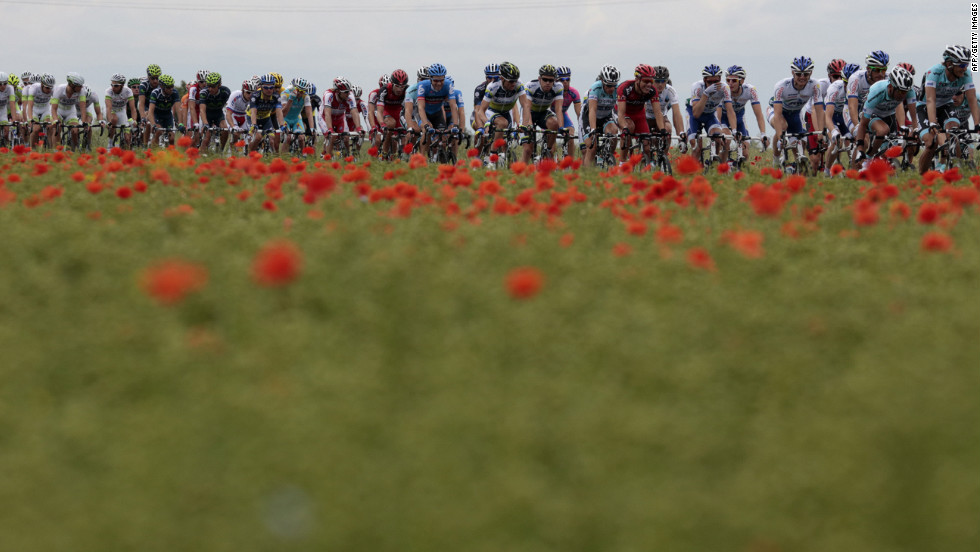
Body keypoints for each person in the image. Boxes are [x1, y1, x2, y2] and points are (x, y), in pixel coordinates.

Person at [917, 45, 979, 173]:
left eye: (966, 65)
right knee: (930, 144)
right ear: (949, 64)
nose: (965, 69)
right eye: (961, 65)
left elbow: (972, 99)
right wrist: (933, 123)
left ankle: (953, 166)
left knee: (954, 130)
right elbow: (930, 100)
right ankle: (922, 175)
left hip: (946, 104)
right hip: (925, 106)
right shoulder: (934, 72)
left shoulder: (966, 74)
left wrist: (978, 124)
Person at [768, 56, 826, 169]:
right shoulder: (781, 86)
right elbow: (778, 114)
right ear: (793, 72)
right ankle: (775, 158)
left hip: (795, 114)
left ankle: (797, 170)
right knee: (783, 126)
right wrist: (781, 138)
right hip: (777, 112)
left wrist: (820, 133)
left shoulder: (815, 85)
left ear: (811, 73)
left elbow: (819, 110)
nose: (802, 77)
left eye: (806, 74)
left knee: (800, 146)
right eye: (799, 74)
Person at [854, 66, 917, 163]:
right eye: (900, 91)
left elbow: (913, 116)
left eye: (905, 92)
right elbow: (863, 124)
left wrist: (913, 130)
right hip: (872, 113)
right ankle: (869, 157)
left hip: (888, 114)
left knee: (892, 148)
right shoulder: (877, 91)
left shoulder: (908, 90)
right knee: (883, 130)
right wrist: (860, 148)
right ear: (891, 87)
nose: (903, 95)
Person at [475, 61, 528, 166]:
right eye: (511, 81)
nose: (514, 83)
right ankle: (492, 155)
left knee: (507, 137)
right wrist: (486, 122)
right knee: (502, 123)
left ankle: (503, 158)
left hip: (505, 112)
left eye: (515, 80)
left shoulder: (518, 85)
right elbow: (481, 110)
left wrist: (522, 124)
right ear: (502, 79)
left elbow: (525, 106)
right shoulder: (492, 86)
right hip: (492, 111)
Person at [685, 64, 735, 162]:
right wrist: (705, 94)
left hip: (710, 115)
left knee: (718, 138)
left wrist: (734, 130)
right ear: (704, 80)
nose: (713, 85)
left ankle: (714, 164)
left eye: (716, 81)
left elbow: (730, 111)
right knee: (696, 148)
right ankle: (692, 174)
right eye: (710, 82)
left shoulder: (725, 88)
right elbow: (696, 114)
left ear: (720, 79)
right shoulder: (697, 87)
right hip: (694, 115)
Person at [717, 65, 767, 158]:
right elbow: (718, 114)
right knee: (726, 141)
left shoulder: (750, 90)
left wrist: (763, 134)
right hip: (724, 117)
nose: (730, 83)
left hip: (739, 117)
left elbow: (759, 115)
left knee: (745, 153)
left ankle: (739, 168)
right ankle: (722, 168)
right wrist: (719, 129)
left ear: (742, 81)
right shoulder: (722, 90)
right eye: (728, 80)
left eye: (734, 80)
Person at [521, 64, 565, 162]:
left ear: (555, 80)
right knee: (528, 149)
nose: (548, 83)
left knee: (554, 124)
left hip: (543, 112)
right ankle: (521, 171)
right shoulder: (531, 86)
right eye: (545, 79)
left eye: (551, 80)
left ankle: (548, 150)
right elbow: (527, 107)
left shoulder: (558, 87)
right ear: (539, 78)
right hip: (529, 113)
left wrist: (561, 127)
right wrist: (529, 125)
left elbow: (558, 109)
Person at [823, 63, 860, 173]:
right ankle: (827, 171)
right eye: (846, 82)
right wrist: (833, 131)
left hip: (846, 115)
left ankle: (853, 168)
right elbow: (828, 115)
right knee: (837, 142)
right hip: (833, 116)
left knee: (856, 139)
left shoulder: (860, 88)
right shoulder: (834, 88)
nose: (849, 86)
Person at [416, 63, 460, 157]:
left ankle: (442, 164)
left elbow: (453, 106)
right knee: (427, 131)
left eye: (441, 80)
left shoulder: (448, 85)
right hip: (424, 113)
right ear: (430, 78)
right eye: (436, 80)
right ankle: (422, 159)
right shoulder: (422, 85)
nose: (439, 83)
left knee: (443, 139)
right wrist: (426, 125)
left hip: (437, 114)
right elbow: (421, 107)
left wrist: (456, 124)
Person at [581, 65, 621, 167]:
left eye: (613, 85)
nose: (612, 88)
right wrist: (593, 129)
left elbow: (620, 110)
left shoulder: (618, 89)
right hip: (589, 117)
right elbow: (592, 110)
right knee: (592, 147)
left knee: (614, 131)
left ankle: (608, 155)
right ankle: (587, 176)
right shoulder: (595, 88)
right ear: (602, 81)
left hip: (605, 117)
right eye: (608, 86)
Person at [847, 50, 889, 140]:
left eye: (884, 70)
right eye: (877, 70)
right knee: (863, 139)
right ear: (868, 69)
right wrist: (857, 125)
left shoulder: (888, 79)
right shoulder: (856, 78)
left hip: (871, 110)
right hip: (854, 110)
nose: (881, 74)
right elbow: (852, 106)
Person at [321, 77, 360, 158]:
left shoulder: (350, 96)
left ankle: (347, 158)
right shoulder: (329, 95)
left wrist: (358, 127)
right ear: (338, 91)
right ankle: (328, 157)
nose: (348, 94)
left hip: (339, 118)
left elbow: (354, 112)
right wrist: (330, 129)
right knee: (332, 136)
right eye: (346, 92)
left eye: (349, 91)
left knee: (346, 137)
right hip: (325, 117)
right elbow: (327, 113)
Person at [377, 69, 411, 158]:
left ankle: (403, 159)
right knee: (391, 125)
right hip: (387, 112)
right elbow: (379, 111)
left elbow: (409, 109)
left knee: (404, 140)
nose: (400, 89)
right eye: (397, 86)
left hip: (400, 113)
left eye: (402, 86)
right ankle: (384, 153)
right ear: (392, 83)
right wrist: (382, 124)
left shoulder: (407, 90)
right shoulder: (384, 90)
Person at [50, 72, 88, 149]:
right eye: (79, 86)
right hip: (59, 111)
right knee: (57, 129)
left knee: (75, 130)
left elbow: (83, 108)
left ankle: (75, 149)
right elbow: (53, 108)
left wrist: (84, 122)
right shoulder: (59, 89)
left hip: (71, 112)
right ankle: (56, 151)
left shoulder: (81, 91)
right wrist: (55, 120)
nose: (81, 87)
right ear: (72, 85)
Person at [196, 72, 233, 153]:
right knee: (207, 135)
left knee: (225, 130)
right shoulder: (203, 92)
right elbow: (202, 110)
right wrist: (205, 124)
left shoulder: (226, 92)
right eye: (208, 86)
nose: (210, 89)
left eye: (213, 86)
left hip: (218, 113)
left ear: (219, 85)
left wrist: (230, 123)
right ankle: (202, 154)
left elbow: (229, 108)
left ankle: (221, 151)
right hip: (207, 114)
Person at [279, 77, 316, 155]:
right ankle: (283, 158)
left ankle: (303, 156)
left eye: (302, 91)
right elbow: (284, 113)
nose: (300, 93)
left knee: (301, 138)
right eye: (298, 90)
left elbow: (309, 113)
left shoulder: (305, 96)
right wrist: (291, 99)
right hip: (285, 118)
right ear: (293, 88)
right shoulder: (285, 94)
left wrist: (312, 128)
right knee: (288, 138)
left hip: (296, 119)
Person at [249, 74, 284, 153]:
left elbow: (279, 112)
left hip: (266, 118)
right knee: (257, 137)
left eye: (271, 87)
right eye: (266, 87)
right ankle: (250, 155)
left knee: (272, 139)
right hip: (252, 117)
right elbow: (253, 112)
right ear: (261, 87)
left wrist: (282, 125)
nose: (269, 90)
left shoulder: (276, 96)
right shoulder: (255, 96)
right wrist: (254, 124)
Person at [148, 74, 183, 146]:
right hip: (156, 114)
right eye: (169, 87)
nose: (171, 89)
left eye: (172, 86)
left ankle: (172, 155)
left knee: (172, 138)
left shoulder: (175, 93)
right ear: (162, 87)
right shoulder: (155, 93)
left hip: (167, 115)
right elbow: (150, 111)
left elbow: (178, 110)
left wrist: (180, 123)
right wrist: (153, 124)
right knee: (158, 131)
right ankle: (154, 152)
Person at [105, 73, 136, 148]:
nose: (113, 87)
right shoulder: (108, 91)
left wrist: (134, 120)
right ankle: (110, 142)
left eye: (116, 85)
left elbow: (133, 108)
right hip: (112, 110)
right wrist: (109, 122)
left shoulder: (128, 91)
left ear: (122, 85)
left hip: (122, 111)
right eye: (112, 85)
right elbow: (108, 108)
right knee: (114, 119)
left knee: (127, 138)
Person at [26, 73, 57, 148]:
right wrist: (30, 119)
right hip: (34, 109)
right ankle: (33, 150)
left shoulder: (53, 90)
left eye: (50, 88)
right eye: (47, 88)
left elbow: (55, 106)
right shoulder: (34, 88)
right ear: (42, 84)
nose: (49, 90)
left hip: (45, 109)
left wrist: (54, 119)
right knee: (36, 129)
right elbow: (30, 105)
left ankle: (51, 149)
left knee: (50, 126)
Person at [557, 65, 581, 157]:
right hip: (550, 115)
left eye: (568, 79)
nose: (565, 82)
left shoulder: (573, 93)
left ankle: (569, 162)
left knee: (571, 135)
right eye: (562, 80)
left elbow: (579, 113)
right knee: (549, 135)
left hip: (563, 114)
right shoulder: (552, 91)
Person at [225, 80, 253, 146]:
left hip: (243, 116)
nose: (250, 95)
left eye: (252, 93)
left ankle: (247, 153)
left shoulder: (254, 98)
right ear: (243, 90)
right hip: (233, 116)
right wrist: (233, 127)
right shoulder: (235, 95)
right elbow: (228, 113)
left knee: (250, 136)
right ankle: (233, 153)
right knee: (236, 133)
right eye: (248, 92)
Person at [0, 72, 19, 144]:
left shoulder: (10, 88)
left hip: (3, 109)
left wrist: (14, 119)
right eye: (0, 84)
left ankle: (7, 147)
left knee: (6, 130)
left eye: (5, 83)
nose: (3, 86)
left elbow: (12, 104)